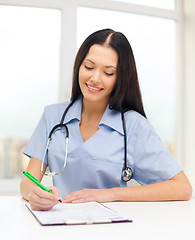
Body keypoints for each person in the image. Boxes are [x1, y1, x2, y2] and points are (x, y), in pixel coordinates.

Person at [20, 29, 192, 211]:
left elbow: (182, 187)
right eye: (88, 67)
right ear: (79, 66)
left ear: (121, 78)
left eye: (108, 73)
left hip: (110, 227)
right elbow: (27, 183)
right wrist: (35, 194)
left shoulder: (134, 125)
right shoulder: (52, 116)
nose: (95, 78)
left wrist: (110, 194)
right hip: (58, 224)